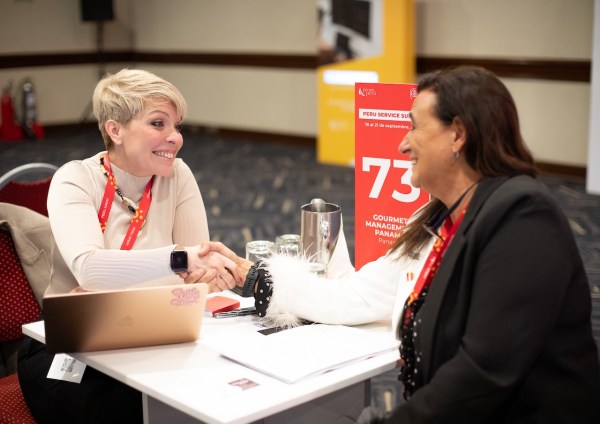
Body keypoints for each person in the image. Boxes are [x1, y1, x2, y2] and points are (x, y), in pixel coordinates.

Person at [203, 66, 600, 423]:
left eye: (414, 127)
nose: (402, 145)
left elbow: (484, 373)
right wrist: (253, 274)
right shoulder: (436, 218)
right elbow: (358, 295)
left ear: (458, 134)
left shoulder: (522, 215)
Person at [17, 68, 242, 423]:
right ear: (115, 130)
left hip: (152, 330)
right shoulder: (75, 179)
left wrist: (210, 274)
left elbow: (194, 277)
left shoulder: (177, 175)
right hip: (70, 344)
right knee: (140, 409)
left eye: (177, 126)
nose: (175, 138)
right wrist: (180, 260)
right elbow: (90, 269)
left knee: (216, 391)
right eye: (158, 123)